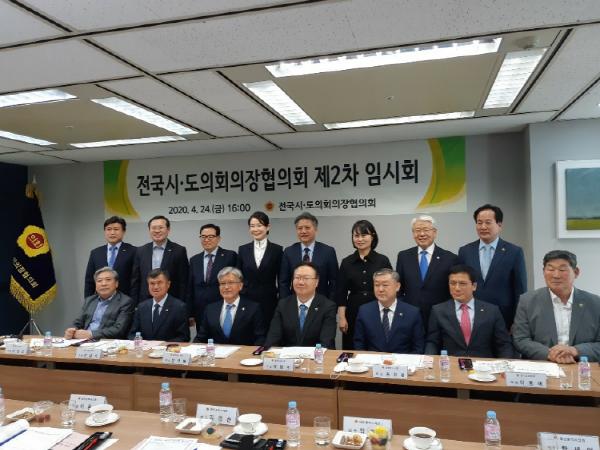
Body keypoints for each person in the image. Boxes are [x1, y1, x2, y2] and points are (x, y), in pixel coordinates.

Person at [513, 250, 600, 363]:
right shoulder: (528, 301)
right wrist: (549, 353)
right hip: (542, 365)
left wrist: (575, 350)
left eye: (562, 270)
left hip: (581, 365)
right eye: (550, 269)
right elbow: (521, 339)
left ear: (576, 272)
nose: (556, 275)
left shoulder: (595, 303)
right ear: (544, 272)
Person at [458, 204, 527, 329]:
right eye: (479, 223)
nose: (483, 227)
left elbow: (520, 289)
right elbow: (460, 286)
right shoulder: (465, 251)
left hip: (504, 318)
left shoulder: (514, 252)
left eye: (488, 222)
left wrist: (518, 321)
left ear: (499, 225)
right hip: (472, 317)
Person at [425, 265, 513, 358]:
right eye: (453, 283)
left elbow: (503, 344)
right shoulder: (438, 311)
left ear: (474, 286)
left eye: (462, 283)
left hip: (483, 363)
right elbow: (432, 342)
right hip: (452, 363)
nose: (457, 288)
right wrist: (429, 362)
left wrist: (506, 364)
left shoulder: (492, 311)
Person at [335, 220, 392, 349]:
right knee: (352, 347)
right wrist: (342, 317)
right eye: (356, 236)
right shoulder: (346, 262)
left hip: (378, 309)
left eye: (364, 235)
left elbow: (390, 289)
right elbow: (341, 293)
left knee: (377, 346)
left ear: (372, 236)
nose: (360, 239)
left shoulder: (382, 260)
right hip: (353, 311)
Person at [395, 215, 458, 329]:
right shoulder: (404, 256)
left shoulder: (450, 258)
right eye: (417, 230)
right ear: (413, 233)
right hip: (409, 316)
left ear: (435, 232)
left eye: (426, 230)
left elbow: (453, 291)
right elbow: (398, 288)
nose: (422, 234)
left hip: (440, 317)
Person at [265, 262, 337, 349]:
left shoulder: (328, 306)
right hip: (288, 356)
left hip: (316, 355)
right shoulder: (283, 305)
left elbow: (326, 342)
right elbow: (272, 339)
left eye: (306, 278)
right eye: (297, 277)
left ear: (316, 282)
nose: (301, 282)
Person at [354, 269, 424, 353]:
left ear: (397, 286)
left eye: (385, 285)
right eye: (376, 285)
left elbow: (418, 347)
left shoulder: (412, 313)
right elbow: (359, 344)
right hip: (373, 359)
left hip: (402, 360)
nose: (380, 289)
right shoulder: (364, 311)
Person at [196, 267, 265, 345]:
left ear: (240, 286)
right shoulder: (210, 309)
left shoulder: (253, 308)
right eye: (222, 283)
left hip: (244, 352)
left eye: (231, 282)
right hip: (217, 352)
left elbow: (260, 339)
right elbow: (200, 338)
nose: (226, 287)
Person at [187, 224, 237, 331]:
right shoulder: (194, 260)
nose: (206, 240)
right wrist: (190, 313)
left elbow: (236, 284)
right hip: (200, 310)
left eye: (211, 236)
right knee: (203, 338)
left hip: (223, 307)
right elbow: (190, 288)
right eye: (203, 237)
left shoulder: (230, 256)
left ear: (218, 238)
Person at [237, 211, 283, 325]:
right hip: (247, 300)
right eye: (252, 226)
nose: (255, 229)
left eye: (259, 225)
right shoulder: (243, 249)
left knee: (268, 330)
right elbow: (238, 277)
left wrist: (282, 302)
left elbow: (282, 279)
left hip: (269, 300)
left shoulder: (277, 250)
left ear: (268, 227)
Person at [130, 215, 189, 304]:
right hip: (145, 301)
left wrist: (181, 304)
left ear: (168, 230)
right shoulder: (141, 251)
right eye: (153, 228)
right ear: (149, 230)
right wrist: (134, 304)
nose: (157, 231)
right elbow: (135, 280)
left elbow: (183, 281)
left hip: (171, 301)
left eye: (161, 227)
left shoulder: (179, 251)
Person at [279, 212, 338, 300]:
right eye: (300, 228)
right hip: (295, 302)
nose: (303, 231)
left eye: (307, 228)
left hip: (321, 302)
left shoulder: (328, 251)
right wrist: (285, 304)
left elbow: (334, 282)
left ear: (315, 229)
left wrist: (330, 303)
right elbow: (284, 282)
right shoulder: (289, 252)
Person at [65, 267, 134, 339]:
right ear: (96, 285)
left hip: (106, 341)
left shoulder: (125, 302)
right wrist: (71, 330)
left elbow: (119, 330)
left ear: (116, 284)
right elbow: (78, 322)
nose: (103, 284)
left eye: (108, 280)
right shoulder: (90, 300)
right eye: (99, 281)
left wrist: (91, 334)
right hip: (84, 340)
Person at [128, 269, 190, 342]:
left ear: (168, 284)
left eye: (159, 283)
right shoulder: (142, 307)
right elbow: (132, 334)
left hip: (168, 348)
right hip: (145, 348)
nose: (155, 287)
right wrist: (140, 341)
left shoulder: (179, 307)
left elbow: (183, 337)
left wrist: (162, 345)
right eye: (152, 283)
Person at [84, 216, 136, 297]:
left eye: (116, 229)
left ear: (123, 231)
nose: (112, 233)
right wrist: (88, 301)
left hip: (125, 299)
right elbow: (89, 281)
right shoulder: (95, 253)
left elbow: (136, 280)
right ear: (104, 231)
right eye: (108, 229)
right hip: (101, 299)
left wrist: (134, 301)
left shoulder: (133, 251)